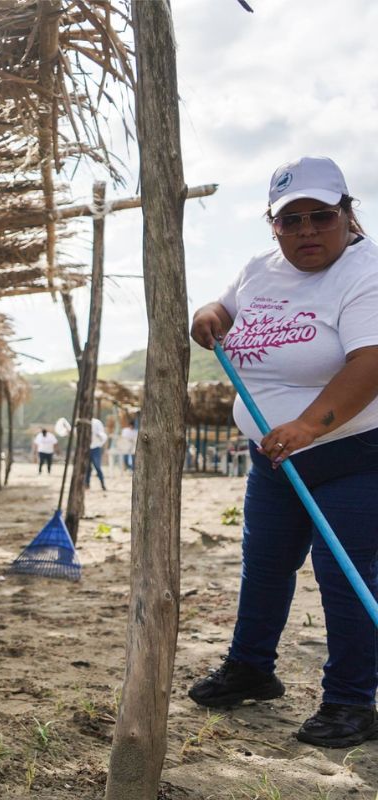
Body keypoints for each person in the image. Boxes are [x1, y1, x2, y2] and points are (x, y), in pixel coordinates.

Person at [187, 156, 378, 748]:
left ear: (347, 214)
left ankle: (351, 701)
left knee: (343, 575)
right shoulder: (258, 269)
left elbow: (370, 363)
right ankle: (251, 668)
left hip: (351, 454)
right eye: (290, 220)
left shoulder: (366, 272)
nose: (306, 230)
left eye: (322, 215)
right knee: (265, 564)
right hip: (273, 459)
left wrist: (309, 426)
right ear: (273, 225)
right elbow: (224, 309)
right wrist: (210, 315)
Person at [85, 416, 108, 490]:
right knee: (87, 468)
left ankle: (103, 484)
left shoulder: (97, 422)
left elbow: (103, 435)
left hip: (96, 448)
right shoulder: (83, 421)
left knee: (97, 467)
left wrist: (99, 435)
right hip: (86, 448)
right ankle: (87, 484)